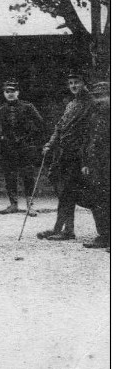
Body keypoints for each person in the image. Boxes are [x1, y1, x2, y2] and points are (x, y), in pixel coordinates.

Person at [39, 71, 96, 241]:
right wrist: (50, 144)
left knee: (69, 193)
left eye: (76, 82)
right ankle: (62, 229)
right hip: (64, 154)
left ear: (84, 83)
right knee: (64, 192)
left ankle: (66, 230)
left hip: (79, 156)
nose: (73, 86)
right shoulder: (71, 104)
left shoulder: (91, 104)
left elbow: (89, 133)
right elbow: (60, 127)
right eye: (71, 83)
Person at [0, 80, 45, 216]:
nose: (10, 94)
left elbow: (40, 123)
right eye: (7, 92)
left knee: (28, 176)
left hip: (25, 147)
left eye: (13, 91)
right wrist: (1, 137)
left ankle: (29, 205)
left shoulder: (28, 107)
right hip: (7, 148)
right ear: (4, 93)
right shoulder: (0, 110)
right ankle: (13, 204)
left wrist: (30, 137)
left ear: (18, 92)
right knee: (9, 176)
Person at [81, 82, 110, 249]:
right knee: (98, 201)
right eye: (96, 97)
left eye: (103, 96)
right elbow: (87, 142)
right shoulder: (93, 117)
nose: (99, 100)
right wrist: (85, 163)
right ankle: (104, 235)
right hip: (95, 168)